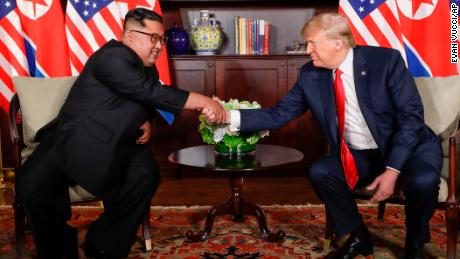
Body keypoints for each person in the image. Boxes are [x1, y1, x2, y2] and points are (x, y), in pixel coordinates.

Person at [210, 13, 441, 259]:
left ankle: (415, 243)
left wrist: (393, 170)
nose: (307, 50)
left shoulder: (385, 61)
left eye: (313, 43)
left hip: (409, 149)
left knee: (423, 181)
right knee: (322, 171)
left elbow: (411, 119)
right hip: (361, 153)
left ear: (337, 43)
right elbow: (281, 113)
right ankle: (358, 236)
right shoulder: (311, 74)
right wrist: (228, 116)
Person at [16, 8, 226, 259]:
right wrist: (205, 101)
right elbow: (147, 91)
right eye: (153, 38)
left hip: (119, 140)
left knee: (145, 175)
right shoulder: (111, 57)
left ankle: (102, 244)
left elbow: (143, 98)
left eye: (162, 39)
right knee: (31, 187)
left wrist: (146, 120)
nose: (159, 46)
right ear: (129, 37)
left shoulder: (147, 67)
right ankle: (61, 246)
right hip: (74, 137)